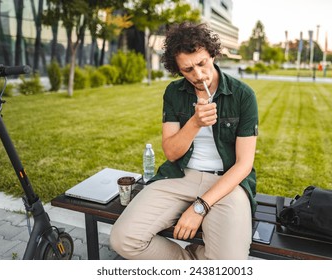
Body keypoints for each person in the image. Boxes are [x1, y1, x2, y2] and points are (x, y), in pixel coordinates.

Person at [110, 22, 258, 260]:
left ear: (212, 54)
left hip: (227, 183)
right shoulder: (174, 93)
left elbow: (243, 164)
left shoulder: (242, 95)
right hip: (179, 175)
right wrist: (195, 123)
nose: (198, 75)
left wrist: (200, 207)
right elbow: (171, 152)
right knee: (123, 239)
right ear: (179, 70)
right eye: (188, 70)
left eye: (202, 63)